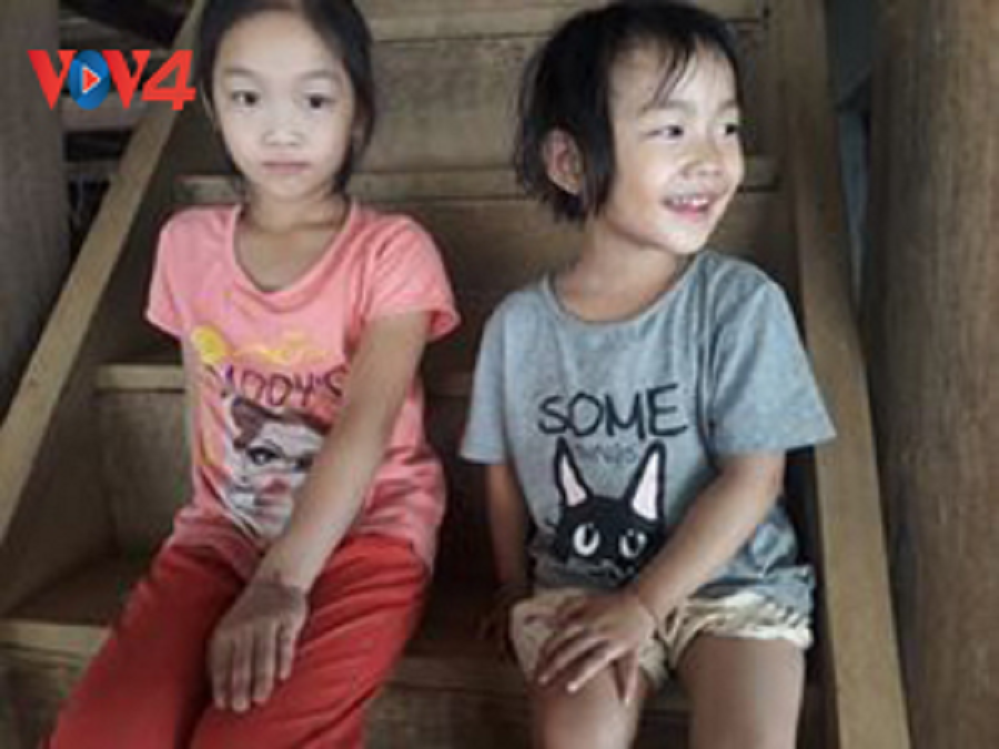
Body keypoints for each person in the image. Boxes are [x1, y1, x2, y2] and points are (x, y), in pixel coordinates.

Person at [48, 1, 457, 746]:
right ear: (210, 107)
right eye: (246, 97)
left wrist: (281, 581)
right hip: (225, 533)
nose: (280, 129)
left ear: (358, 113)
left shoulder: (392, 252)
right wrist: (228, 546)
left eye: (314, 99)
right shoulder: (185, 245)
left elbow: (365, 428)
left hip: (368, 534)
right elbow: (205, 414)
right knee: (102, 732)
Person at [460, 2, 835, 747]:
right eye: (672, 129)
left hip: (731, 580)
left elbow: (755, 479)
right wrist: (512, 586)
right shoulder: (518, 327)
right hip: (580, 585)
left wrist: (645, 602)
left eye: (727, 127)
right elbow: (499, 471)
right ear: (571, 163)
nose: (712, 158)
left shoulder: (740, 303)